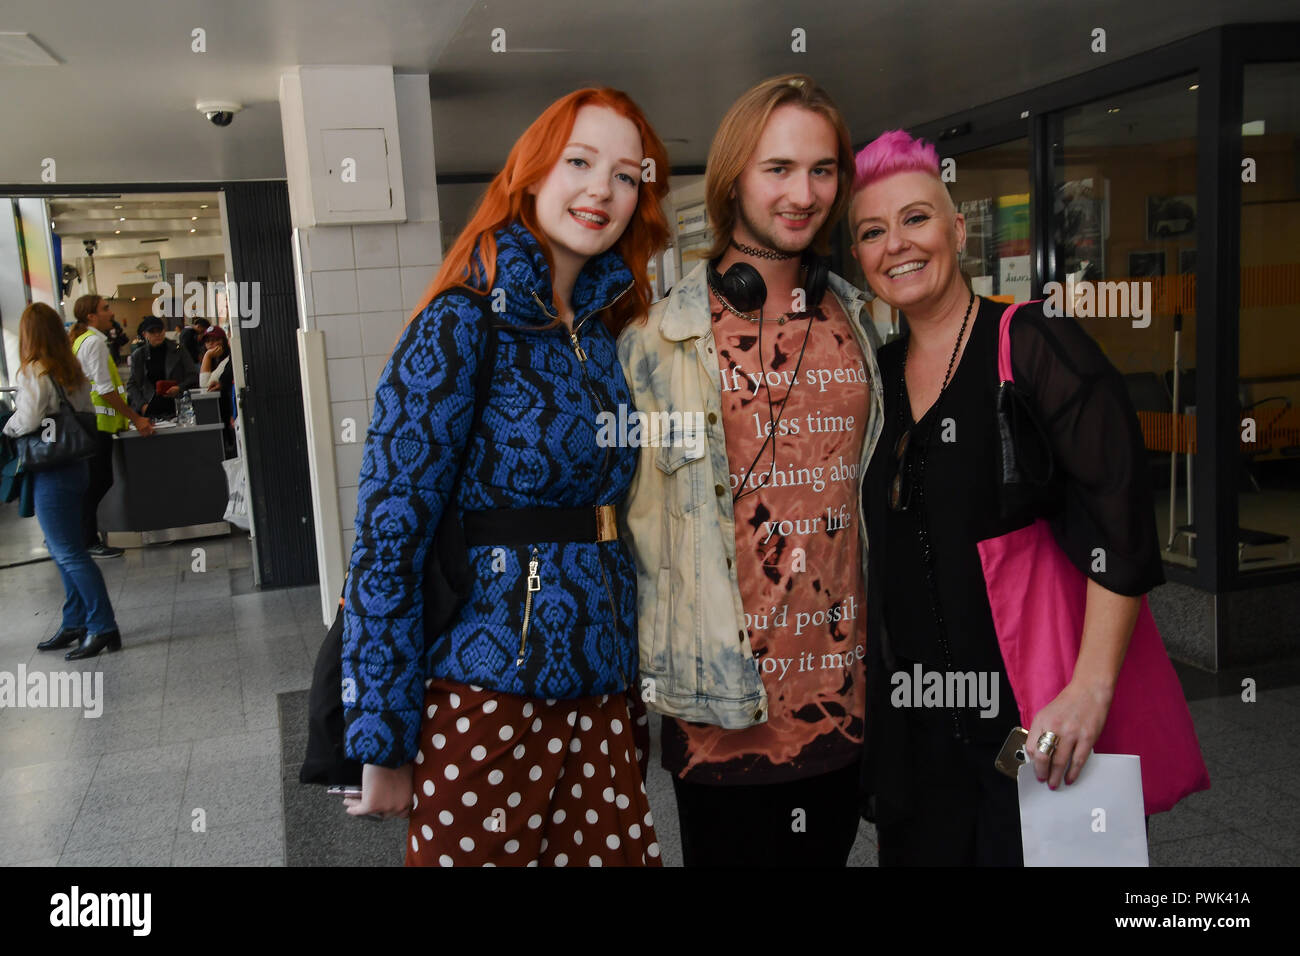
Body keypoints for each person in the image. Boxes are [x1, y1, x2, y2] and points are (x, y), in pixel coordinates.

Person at [340, 87, 671, 867]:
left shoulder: (601, 327)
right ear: (529, 173)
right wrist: (382, 740)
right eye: (579, 161)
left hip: (600, 683)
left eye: (627, 176)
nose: (602, 190)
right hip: (486, 688)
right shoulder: (461, 321)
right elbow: (389, 537)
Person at [849, 130, 1166, 865]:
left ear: (959, 230)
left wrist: (1092, 687)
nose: (897, 243)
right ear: (860, 258)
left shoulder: (1032, 344)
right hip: (919, 725)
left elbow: (1122, 517)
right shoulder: (879, 372)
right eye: (872, 231)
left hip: (1031, 718)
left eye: (916, 218)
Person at [618, 74, 885, 867]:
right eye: (778, 169)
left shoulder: (863, 323)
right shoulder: (652, 344)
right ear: (735, 175)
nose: (803, 193)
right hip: (719, 708)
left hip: (843, 704)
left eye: (822, 169)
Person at [3, 303, 124, 660]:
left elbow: (27, 420)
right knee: (65, 549)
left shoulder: (35, 371)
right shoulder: (72, 369)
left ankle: (102, 626)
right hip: (75, 465)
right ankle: (75, 621)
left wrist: (7, 428)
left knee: (69, 552)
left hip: (51, 470)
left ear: (29, 336)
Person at [69, 294, 154, 559]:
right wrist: (135, 417)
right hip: (98, 422)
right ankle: (84, 538)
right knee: (98, 480)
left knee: (96, 480)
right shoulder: (94, 342)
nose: (110, 313)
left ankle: (79, 536)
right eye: (105, 309)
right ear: (91, 316)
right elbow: (105, 390)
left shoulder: (83, 340)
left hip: (93, 421)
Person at [127, 316, 198, 418]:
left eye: (159, 330)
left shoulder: (179, 350)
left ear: (164, 330)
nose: (157, 334)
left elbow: (193, 375)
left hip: (178, 404)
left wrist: (179, 388)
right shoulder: (138, 355)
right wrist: (142, 406)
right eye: (152, 332)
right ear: (145, 334)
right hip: (150, 405)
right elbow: (132, 384)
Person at [199, 326, 236, 451]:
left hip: (228, 413)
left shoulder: (227, 360)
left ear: (224, 341)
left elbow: (204, 386)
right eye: (208, 341)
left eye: (215, 340)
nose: (211, 344)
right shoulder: (216, 361)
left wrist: (207, 356)